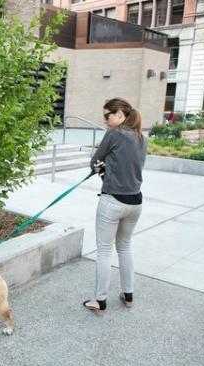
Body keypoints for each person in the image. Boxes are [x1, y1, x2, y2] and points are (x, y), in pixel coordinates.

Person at [83, 98, 147, 315]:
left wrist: (101, 169)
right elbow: (130, 169)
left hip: (113, 201)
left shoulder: (114, 134)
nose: (105, 119)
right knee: (125, 247)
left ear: (120, 114)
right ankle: (128, 295)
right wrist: (108, 169)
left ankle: (100, 300)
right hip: (136, 202)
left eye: (108, 115)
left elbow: (95, 161)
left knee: (104, 251)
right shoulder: (141, 137)